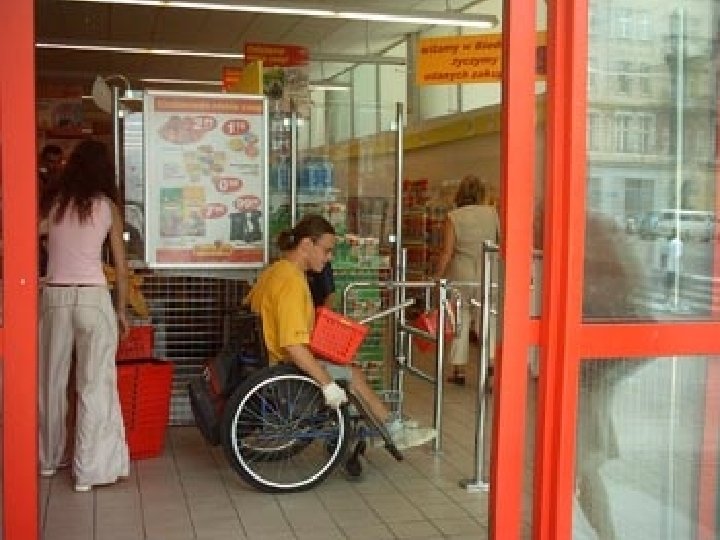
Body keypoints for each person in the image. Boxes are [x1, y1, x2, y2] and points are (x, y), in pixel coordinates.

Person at [246, 214, 436, 450]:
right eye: (326, 250)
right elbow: (292, 345)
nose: (329, 257)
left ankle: (383, 424)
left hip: (270, 362)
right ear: (306, 245)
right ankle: (392, 429)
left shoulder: (275, 271)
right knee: (352, 375)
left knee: (347, 367)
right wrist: (327, 384)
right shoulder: (291, 282)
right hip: (285, 370)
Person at [38, 139, 130, 492]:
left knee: (51, 382)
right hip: (93, 298)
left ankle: (49, 459)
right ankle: (88, 472)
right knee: (94, 385)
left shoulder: (56, 205)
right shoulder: (107, 207)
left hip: (56, 297)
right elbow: (120, 268)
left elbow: (32, 234)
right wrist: (121, 310)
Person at [433, 175, 500, 385]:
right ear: (482, 194)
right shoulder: (492, 214)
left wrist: (437, 276)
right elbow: (500, 242)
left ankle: (459, 370)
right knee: (487, 317)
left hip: (462, 272)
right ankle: (491, 365)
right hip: (488, 271)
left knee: (460, 319)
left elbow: (447, 252)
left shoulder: (453, 217)